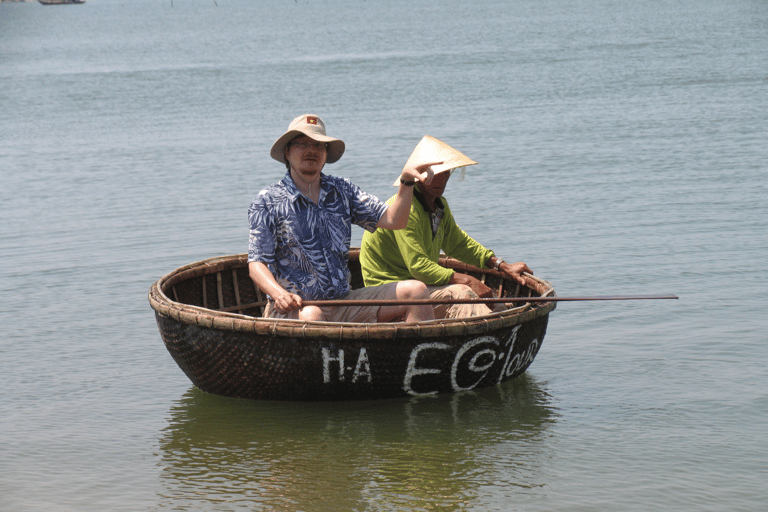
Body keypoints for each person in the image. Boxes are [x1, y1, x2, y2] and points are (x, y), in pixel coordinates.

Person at [247, 114, 442, 323]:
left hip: (343, 302)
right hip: (295, 309)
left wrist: (406, 180)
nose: (311, 150)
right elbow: (257, 264)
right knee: (313, 315)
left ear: (326, 153)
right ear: (287, 151)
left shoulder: (342, 190)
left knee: (417, 292)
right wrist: (279, 294)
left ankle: (411, 355)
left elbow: (395, 220)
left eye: (318, 145)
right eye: (302, 144)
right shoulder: (267, 200)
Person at [360, 135, 533, 319]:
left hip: (419, 285)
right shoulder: (407, 209)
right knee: (462, 293)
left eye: (447, 172)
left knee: (478, 297)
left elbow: (457, 243)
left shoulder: (439, 205)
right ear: (419, 175)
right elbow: (419, 266)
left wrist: (500, 265)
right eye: (436, 173)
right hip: (389, 292)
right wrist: (467, 279)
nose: (443, 179)